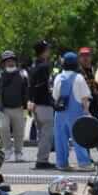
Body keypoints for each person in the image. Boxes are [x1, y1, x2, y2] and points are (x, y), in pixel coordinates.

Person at [52, 51, 93, 170]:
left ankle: (62, 163)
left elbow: (55, 96)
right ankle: (84, 163)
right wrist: (86, 111)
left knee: (60, 138)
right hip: (75, 113)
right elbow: (84, 97)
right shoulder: (79, 77)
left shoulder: (58, 77)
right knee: (78, 138)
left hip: (60, 112)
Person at [0, 50, 29, 162]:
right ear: (3, 63)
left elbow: (27, 91)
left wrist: (27, 104)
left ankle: (18, 153)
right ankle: (7, 150)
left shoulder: (22, 75)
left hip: (18, 107)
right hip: (4, 108)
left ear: (15, 61)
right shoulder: (0, 76)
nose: (10, 63)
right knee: (3, 128)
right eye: (7, 61)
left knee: (19, 132)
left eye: (11, 60)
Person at [27, 41, 55, 169]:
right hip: (43, 103)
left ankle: (41, 158)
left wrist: (30, 100)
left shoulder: (33, 66)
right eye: (47, 49)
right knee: (46, 134)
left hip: (35, 104)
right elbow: (42, 86)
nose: (49, 51)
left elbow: (31, 86)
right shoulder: (44, 66)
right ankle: (42, 160)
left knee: (41, 133)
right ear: (44, 51)